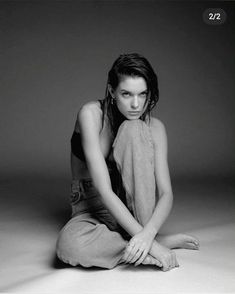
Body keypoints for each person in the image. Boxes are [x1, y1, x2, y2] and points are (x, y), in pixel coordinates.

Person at [56, 53, 199, 271]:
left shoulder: (155, 127)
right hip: (93, 207)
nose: (135, 104)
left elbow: (166, 193)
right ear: (112, 92)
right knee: (68, 247)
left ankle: (142, 241)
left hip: (135, 208)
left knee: (134, 129)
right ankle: (145, 247)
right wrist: (155, 245)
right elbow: (104, 190)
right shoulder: (91, 114)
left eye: (142, 94)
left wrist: (148, 232)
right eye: (126, 94)